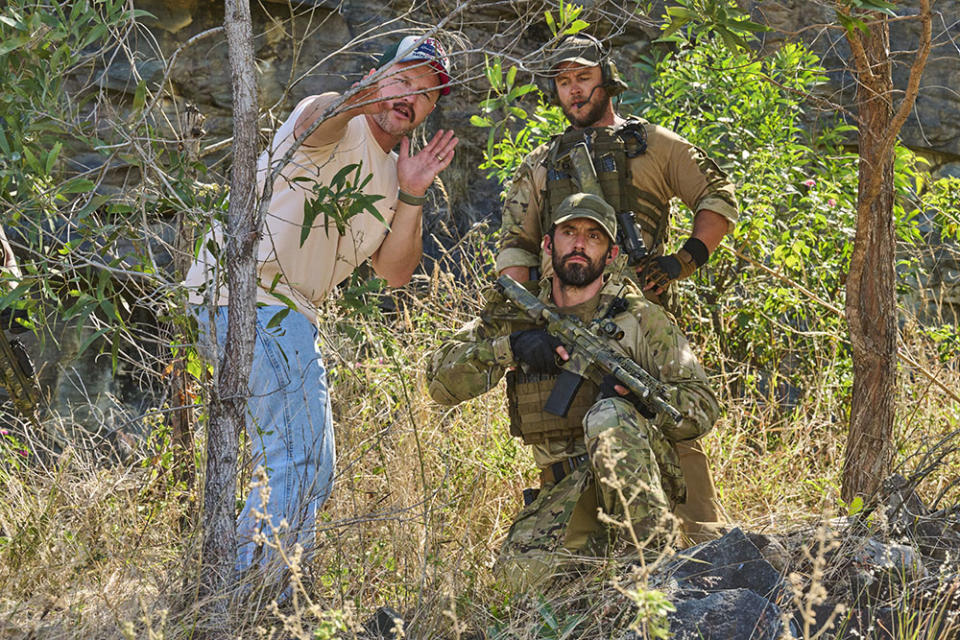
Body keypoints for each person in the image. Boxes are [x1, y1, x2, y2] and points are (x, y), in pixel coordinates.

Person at [183, 34, 459, 576]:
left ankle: (240, 591)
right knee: (300, 461)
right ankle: (248, 601)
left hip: (290, 316)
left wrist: (413, 191)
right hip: (249, 293)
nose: (410, 98)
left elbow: (395, 273)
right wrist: (366, 93)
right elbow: (318, 118)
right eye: (402, 79)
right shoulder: (337, 117)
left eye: (425, 94)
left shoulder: (396, 169)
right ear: (376, 75)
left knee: (310, 464)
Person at [495, 34, 738, 540]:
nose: (573, 91)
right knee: (565, 427)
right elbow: (517, 246)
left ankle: (695, 541)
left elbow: (718, 197)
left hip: (640, 322)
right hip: (569, 320)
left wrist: (681, 262)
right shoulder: (543, 163)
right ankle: (586, 545)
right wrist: (525, 320)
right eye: (563, 82)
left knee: (665, 413)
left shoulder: (653, 145)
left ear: (606, 79)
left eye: (583, 78)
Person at [427, 193, 719, 591]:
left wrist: (640, 403)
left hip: (641, 482)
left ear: (612, 252)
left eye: (593, 237)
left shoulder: (641, 319)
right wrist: (509, 348)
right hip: (566, 491)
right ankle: (593, 573)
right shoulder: (521, 311)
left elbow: (702, 406)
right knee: (519, 586)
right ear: (549, 244)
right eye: (569, 233)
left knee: (610, 417)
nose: (580, 244)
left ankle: (653, 575)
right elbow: (439, 382)